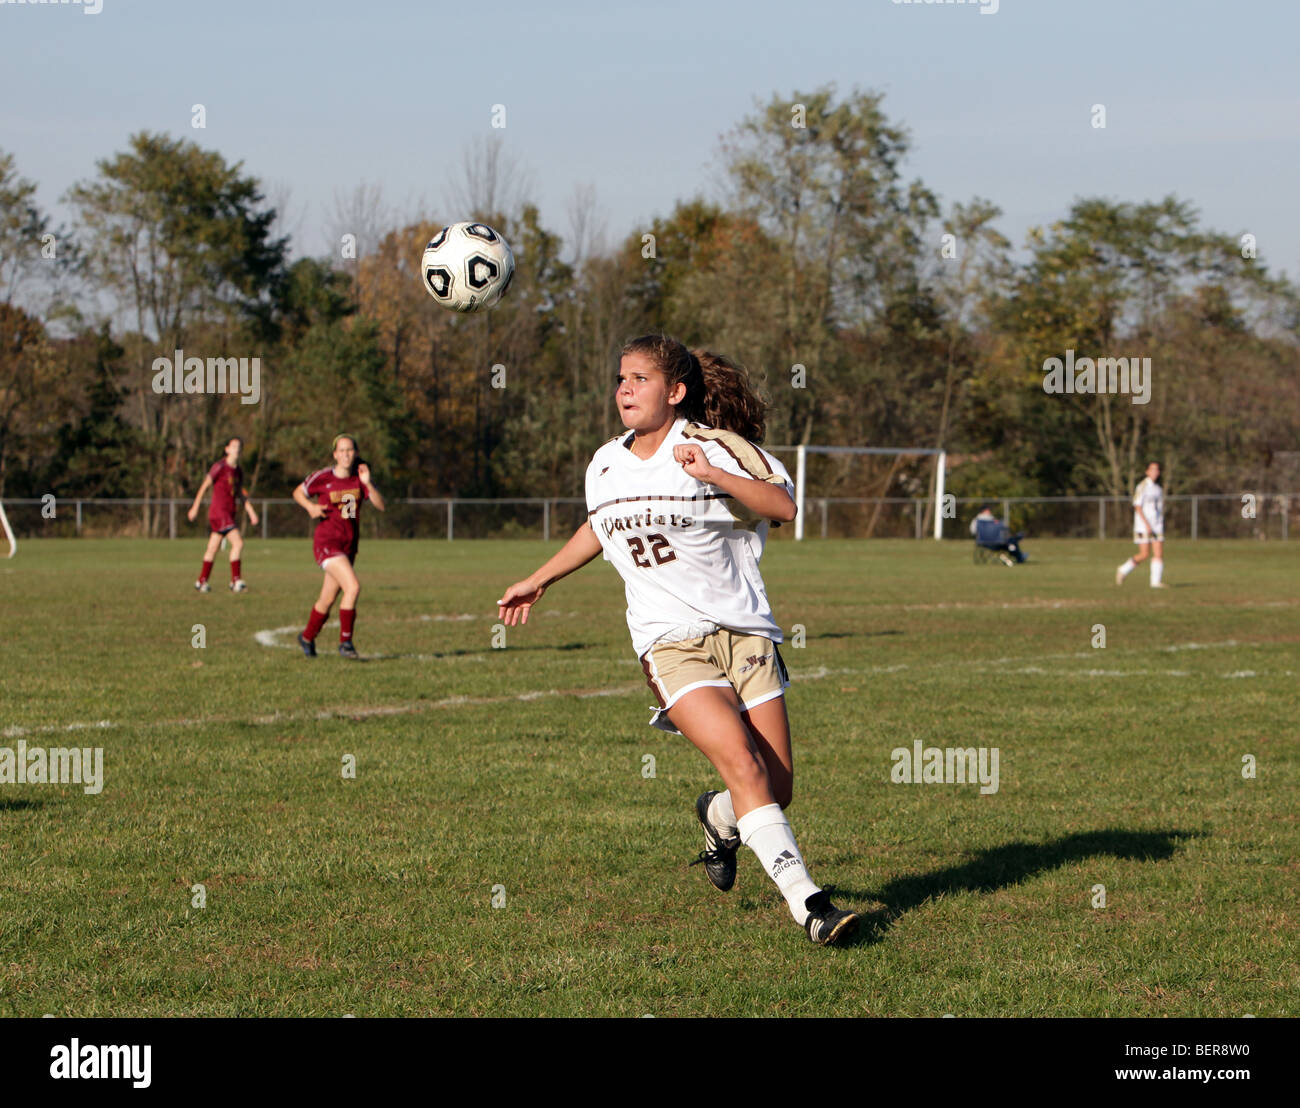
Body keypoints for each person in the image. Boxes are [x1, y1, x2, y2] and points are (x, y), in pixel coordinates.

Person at [497, 335, 858, 946]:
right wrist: (540, 578)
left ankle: (718, 817)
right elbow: (600, 526)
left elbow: (784, 506)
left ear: (676, 391)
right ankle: (810, 906)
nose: (624, 390)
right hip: (668, 642)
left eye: (639, 379)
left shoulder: (716, 447)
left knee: (775, 788)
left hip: (746, 635)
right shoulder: (604, 462)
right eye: (621, 379)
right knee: (744, 765)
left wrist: (714, 473)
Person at [292, 434, 385, 659]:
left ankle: (306, 637)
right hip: (327, 542)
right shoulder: (323, 477)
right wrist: (310, 508)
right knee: (352, 587)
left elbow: (381, 505)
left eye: (350, 450)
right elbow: (298, 492)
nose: (346, 454)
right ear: (335, 454)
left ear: (355, 453)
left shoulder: (359, 478)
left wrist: (367, 483)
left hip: (349, 545)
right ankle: (346, 643)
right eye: (341, 450)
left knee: (327, 599)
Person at [187, 436, 259, 592]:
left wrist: (251, 511)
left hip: (229, 512)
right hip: (219, 512)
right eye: (233, 446)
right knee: (238, 543)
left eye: (239, 447)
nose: (237, 449)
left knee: (213, 548)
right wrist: (195, 507)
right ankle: (235, 581)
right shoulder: (219, 467)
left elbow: (239, 492)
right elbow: (204, 486)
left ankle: (201, 581)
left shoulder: (238, 471)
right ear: (227, 449)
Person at [1116, 462, 1165, 588]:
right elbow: (1137, 506)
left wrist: (1158, 522)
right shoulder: (1142, 486)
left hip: (1157, 525)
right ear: (1147, 472)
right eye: (1152, 469)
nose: (1155, 472)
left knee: (1158, 553)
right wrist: (1146, 524)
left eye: (1157, 470)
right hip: (1143, 525)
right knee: (1144, 554)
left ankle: (1155, 582)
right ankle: (1123, 570)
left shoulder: (1158, 489)